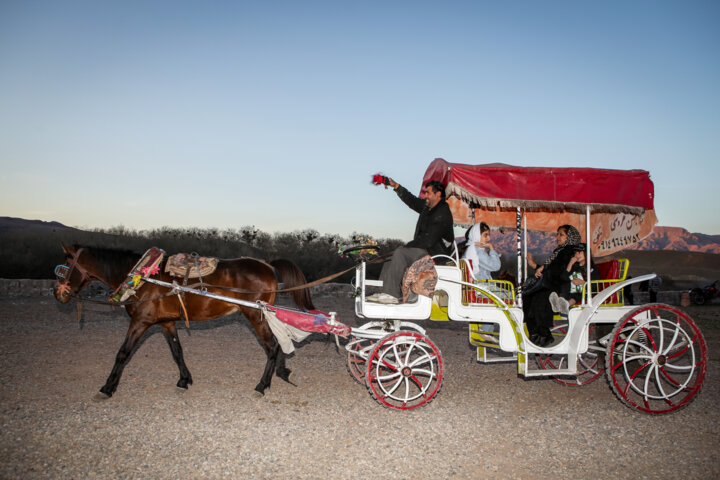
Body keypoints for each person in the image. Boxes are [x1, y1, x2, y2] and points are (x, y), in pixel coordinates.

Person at [366, 178, 454, 304]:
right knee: (391, 257)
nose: (425, 195)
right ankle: (383, 292)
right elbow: (411, 201)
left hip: (435, 254)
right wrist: (396, 186)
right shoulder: (428, 207)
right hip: (424, 249)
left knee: (400, 253)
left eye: (428, 193)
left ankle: (392, 294)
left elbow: (428, 240)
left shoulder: (442, 213)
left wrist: (407, 246)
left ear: (438, 194)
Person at [523, 224, 582, 347]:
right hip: (554, 283)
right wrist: (536, 266)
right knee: (528, 296)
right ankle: (534, 333)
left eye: (561, 234)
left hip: (564, 286)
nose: (558, 237)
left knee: (540, 297)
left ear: (570, 237)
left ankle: (544, 334)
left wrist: (539, 268)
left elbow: (558, 271)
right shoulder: (559, 252)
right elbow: (551, 269)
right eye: (557, 234)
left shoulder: (570, 252)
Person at [548, 244, 600, 314]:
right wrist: (570, 263)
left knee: (577, 295)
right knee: (564, 284)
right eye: (576, 253)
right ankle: (558, 305)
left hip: (584, 293)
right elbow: (563, 277)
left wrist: (583, 283)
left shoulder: (592, 269)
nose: (577, 255)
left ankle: (565, 305)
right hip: (570, 291)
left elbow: (595, 286)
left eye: (580, 252)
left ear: (586, 254)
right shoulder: (574, 267)